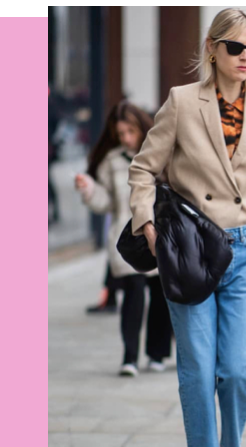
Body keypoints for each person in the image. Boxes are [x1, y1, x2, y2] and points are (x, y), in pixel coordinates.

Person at [126, 8, 246, 447]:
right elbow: (143, 168)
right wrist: (147, 227)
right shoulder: (182, 102)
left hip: (244, 249)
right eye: (237, 48)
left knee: (238, 367)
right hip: (189, 250)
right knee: (198, 371)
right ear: (213, 49)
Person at [75, 100, 173, 377]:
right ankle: (129, 357)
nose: (127, 138)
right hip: (128, 239)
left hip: (159, 234)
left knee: (160, 296)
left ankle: (157, 354)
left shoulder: (160, 155)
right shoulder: (111, 161)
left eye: (131, 131)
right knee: (132, 297)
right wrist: (89, 189)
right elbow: (106, 202)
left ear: (142, 128)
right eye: (121, 134)